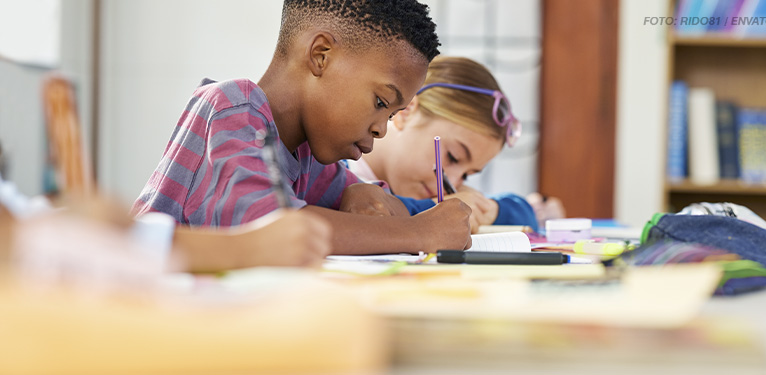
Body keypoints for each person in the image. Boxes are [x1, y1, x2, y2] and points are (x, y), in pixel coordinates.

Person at [132, 0, 472, 255]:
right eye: (382, 103)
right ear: (321, 55)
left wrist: (362, 193)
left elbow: (379, 208)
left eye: (392, 116)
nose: (382, 130)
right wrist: (417, 233)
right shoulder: (233, 107)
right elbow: (271, 229)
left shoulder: (308, 154)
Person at [346, 56, 564, 232]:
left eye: (467, 175)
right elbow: (377, 216)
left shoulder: (423, 190)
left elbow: (515, 211)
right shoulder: (335, 172)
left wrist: (492, 210)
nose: (453, 182)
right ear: (407, 111)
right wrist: (435, 211)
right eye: (453, 157)